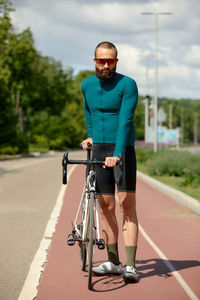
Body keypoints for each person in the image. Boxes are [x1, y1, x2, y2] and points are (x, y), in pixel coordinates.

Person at [81, 41, 138, 283]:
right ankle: (114, 262)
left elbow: (125, 121)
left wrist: (117, 154)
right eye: (101, 60)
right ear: (94, 60)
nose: (106, 65)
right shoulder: (87, 85)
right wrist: (91, 136)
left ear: (116, 61)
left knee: (126, 205)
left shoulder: (127, 84)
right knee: (105, 207)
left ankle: (131, 266)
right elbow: (89, 113)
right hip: (99, 149)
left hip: (122, 148)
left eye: (111, 60)